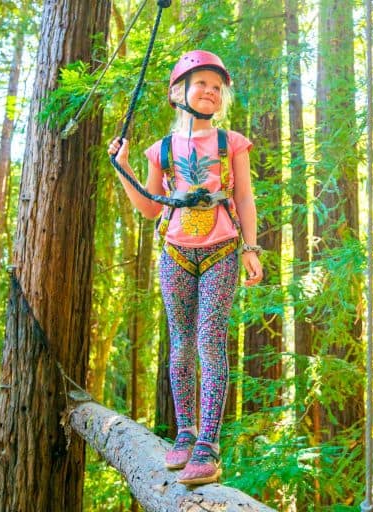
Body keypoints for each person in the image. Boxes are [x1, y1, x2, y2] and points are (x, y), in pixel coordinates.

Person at [108, 50, 263, 486]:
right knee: (180, 344)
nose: (211, 92)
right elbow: (147, 207)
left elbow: (245, 197)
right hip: (175, 250)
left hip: (220, 249)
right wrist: (122, 168)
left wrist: (250, 247)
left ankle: (208, 445)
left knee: (209, 340)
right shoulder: (161, 149)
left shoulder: (230, 142)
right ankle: (185, 431)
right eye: (202, 85)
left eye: (217, 87)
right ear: (180, 93)